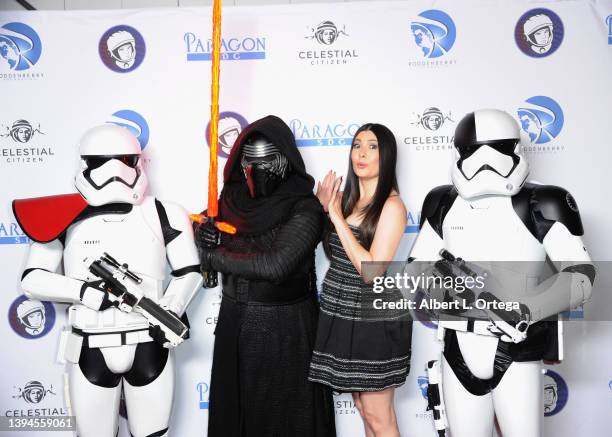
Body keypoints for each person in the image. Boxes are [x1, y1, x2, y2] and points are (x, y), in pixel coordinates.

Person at [408, 109, 594, 437]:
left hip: (517, 347)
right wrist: (451, 284)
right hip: (457, 346)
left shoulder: (542, 202)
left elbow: (580, 275)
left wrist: (525, 309)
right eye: (473, 151)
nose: (485, 163)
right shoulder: (442, 201)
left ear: (515, 150)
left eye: (497, 149)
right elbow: (416, 269)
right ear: (458, 153)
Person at [13, 124, 203, 437]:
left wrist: (171, 308)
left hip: (149, 340)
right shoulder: (62, 215)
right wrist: (84, 291)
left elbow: (188, 271)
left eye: (125, 160)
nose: (114, 170)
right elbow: (33, 279)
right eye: (102, 162)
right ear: (85, 164)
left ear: (138, 162)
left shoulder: (164, 212)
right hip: (90, 343)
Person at [196, 115, 336, 437]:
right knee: (235, 415)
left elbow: (275, 266)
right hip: (234, 322)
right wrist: (201, 232)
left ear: (284, 160)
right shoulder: (228, 202)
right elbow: (205, 230)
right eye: (251, 161)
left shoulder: (305, 207)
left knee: (287, 419)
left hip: (286, 328)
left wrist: (215, 255)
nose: (259, 170)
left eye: (268, 160)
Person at [308, 123, 411, 437]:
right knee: (364, 410)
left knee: (380, 417)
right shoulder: (346, 200)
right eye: (357, 145)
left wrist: (335, 217)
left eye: (373, 146)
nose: (362, 153)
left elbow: (372, 270)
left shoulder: (391, 206)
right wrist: (322, 208)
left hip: (374, 315)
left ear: (387, 157)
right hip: (341, 309)